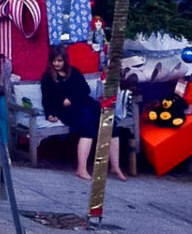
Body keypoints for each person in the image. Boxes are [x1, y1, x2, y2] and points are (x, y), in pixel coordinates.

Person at [41, 44, 127, 181]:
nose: (56, 64)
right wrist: (50, 114)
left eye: (60, 61)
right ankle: (81, 168)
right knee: (87, 127)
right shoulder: (47, 78)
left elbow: (84, 89)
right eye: (54, 60)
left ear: (65, 60)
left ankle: (115, 166)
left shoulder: (74, 72)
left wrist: (71, 98)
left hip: (84, 102)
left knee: (110, 123)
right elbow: (47, 98)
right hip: (66, 110)